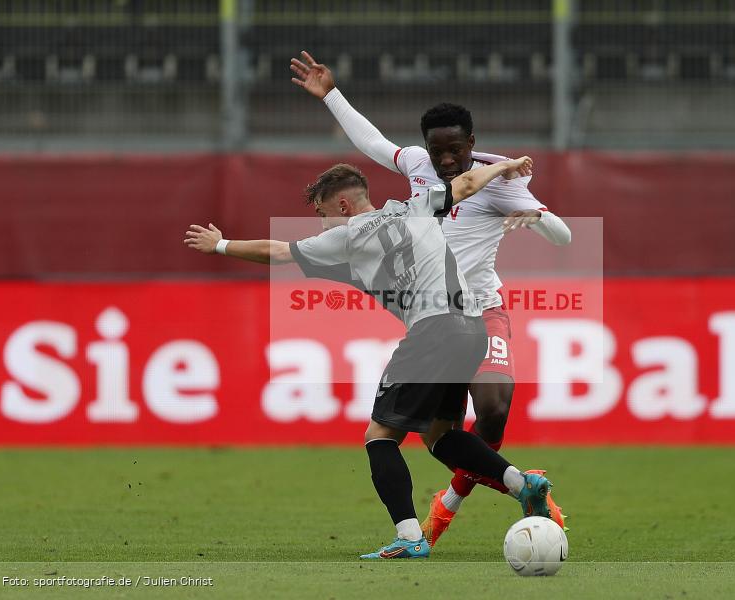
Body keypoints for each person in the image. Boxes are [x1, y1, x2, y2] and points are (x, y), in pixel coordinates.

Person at [184, 159, 555, 560]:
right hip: (471, 329)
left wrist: (220, 245)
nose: (322, 223)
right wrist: (505, 166)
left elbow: (277, 251)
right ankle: (521, 484)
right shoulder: (416, 205)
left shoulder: (345, 236)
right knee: (440, 436)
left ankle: (410, 537)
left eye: (322, 213)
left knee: (379, 436)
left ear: (342, 206)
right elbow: (466, 183)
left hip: (431, 331)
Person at [290, 51, 570, 546]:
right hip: (436, 317)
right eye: (437, 151)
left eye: (454, 151)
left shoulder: (501, 182)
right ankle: (508, 488)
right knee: (441, 435)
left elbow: (564, 237)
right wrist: (331, 94)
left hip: (483, 309)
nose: (445, 161)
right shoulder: (419, 166)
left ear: (471, 145)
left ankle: (451, 502)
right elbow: (373, 142)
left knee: (492, 410)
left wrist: (535, 218)